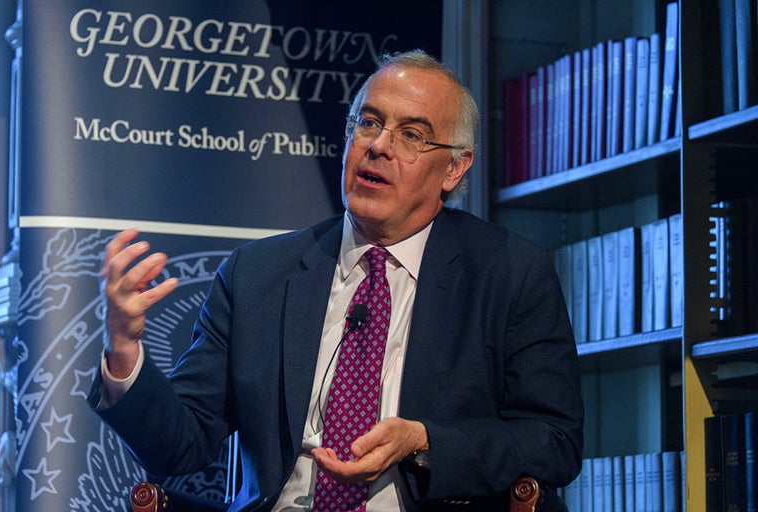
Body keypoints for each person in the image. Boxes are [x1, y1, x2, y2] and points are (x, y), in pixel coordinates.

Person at [89, 49, 583, 511]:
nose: (380, 146)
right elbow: (182, 447)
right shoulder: (257, 274)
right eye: (368, 123)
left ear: (453, 168)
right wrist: (126, 351)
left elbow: (554, 443)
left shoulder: (509, 275)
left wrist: (425, 441)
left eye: (411, 134)